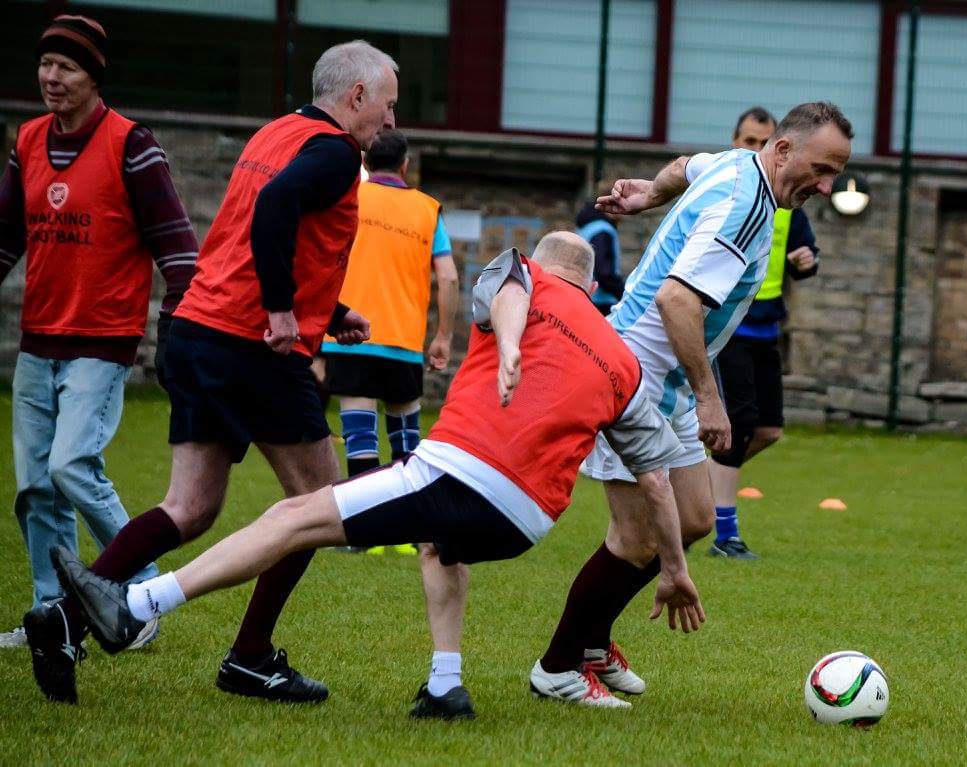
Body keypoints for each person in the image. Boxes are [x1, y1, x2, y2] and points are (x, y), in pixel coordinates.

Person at [51, 234, 705, 718]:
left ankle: (133, 605)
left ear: (540, 261)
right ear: (590, 289)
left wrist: (507, 343)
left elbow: (509, 292)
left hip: (464, 472)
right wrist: (674, 568)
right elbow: (654, 478)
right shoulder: (621, 361)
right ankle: (446, 684)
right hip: (524, 520)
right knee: (440, 543)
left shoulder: (521, 271)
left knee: (294, 514)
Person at [22, 40, 395, 705]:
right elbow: (278, 208)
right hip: (249, 343)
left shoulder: (277, 132)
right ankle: (250, 656)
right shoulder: (336, 152)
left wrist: (324, 307)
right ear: (357, 95)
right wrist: (284, 313)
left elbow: (244, 232)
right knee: (321, 506)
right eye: (388, 105)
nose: (390, 123)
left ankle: (63, 618)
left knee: (190, 507)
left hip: (197, 327)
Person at [531, 102, 853, 703]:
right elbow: (676, 302)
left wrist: (648, 194)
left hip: (668, 381)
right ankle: (558, 666)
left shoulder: (738, 165)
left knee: (697, 519)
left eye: (836, 173)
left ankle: (593, 645)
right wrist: (712, 398)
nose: (827, 186)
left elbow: (686, 165)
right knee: (635, 538)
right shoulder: (747, 209)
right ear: (782, 150)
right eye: (823, 168)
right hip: (633, 377)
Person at [0, 15, 198, 649]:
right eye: (45, 65)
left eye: (66, 67)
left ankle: (138, 597)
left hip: (102, 342)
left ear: (94, 76)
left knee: (71, 468)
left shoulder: (130, 145)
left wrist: (173, 331)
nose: (50, 78)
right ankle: (52, 620)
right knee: (34, 487)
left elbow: (179, 249)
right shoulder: (27, 141)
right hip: (39, 341)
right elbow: (6, 239)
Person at [319, 130, 457, 557]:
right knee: (406, 439)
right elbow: (448, 277)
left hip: (349, 336)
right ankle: (410, 533)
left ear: (367, 160)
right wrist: (443, 336)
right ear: (405, 164)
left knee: (360, 435)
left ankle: (364, 537)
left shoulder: (349, 199)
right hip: (402, 340)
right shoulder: (426, 209)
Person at [707, 107, 823, 560]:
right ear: (734, 142)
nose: (755, 149)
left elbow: (806, 253)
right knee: (739, 423)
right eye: (748, 140)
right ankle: (724, 532)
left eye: (763, 142)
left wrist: (806, 260)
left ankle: (699, 478)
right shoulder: (727, 192)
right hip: (728, 325)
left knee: (769, 430)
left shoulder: (788, 202)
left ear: (780, 148)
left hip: (766, 328)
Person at [575, 198, 624, 315]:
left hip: (583, 294)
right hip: (601, 301)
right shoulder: (603, 230)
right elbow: (603, 271)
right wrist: (623, 293)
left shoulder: (585, 228)